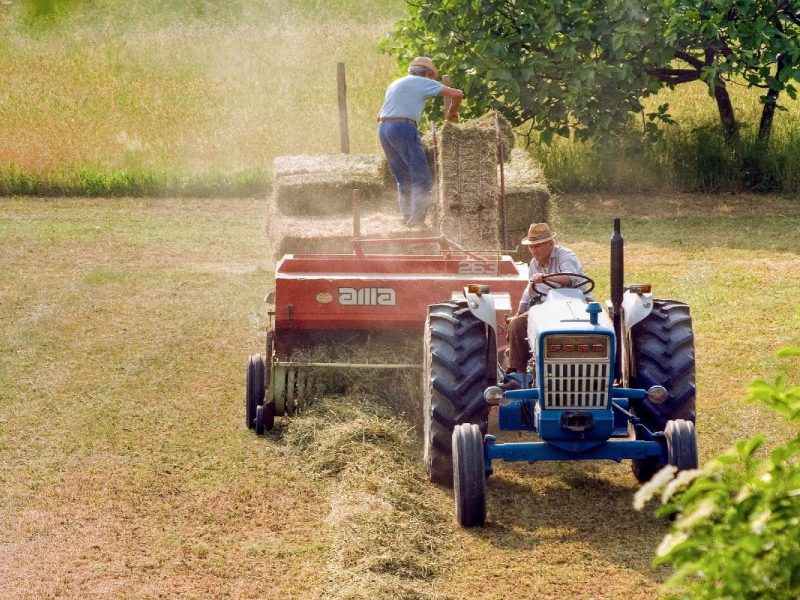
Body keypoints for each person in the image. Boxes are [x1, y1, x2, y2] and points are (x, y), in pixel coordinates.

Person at [377, 56, 464, 228]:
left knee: (403, 176)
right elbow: (458, 94)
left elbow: (380, 114)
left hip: (383, 129)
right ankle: (417, 220)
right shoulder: (422, 82)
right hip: (402, 127)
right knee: (421, 176)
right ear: (428, 74)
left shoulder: (395, 83)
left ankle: (406, 216)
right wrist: (452, 112)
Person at [504, 223, 590, 385]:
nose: (533, 251)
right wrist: (517, 313)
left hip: (576, 306)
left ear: (551, 243)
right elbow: (528, 292)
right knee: (517, 323)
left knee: (601, 328)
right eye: (531, 247)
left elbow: (571, 278)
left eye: (537, 246)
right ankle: (518, 374)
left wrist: (545, 278)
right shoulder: (534, 264)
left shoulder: (565, 256)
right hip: (547, 307)